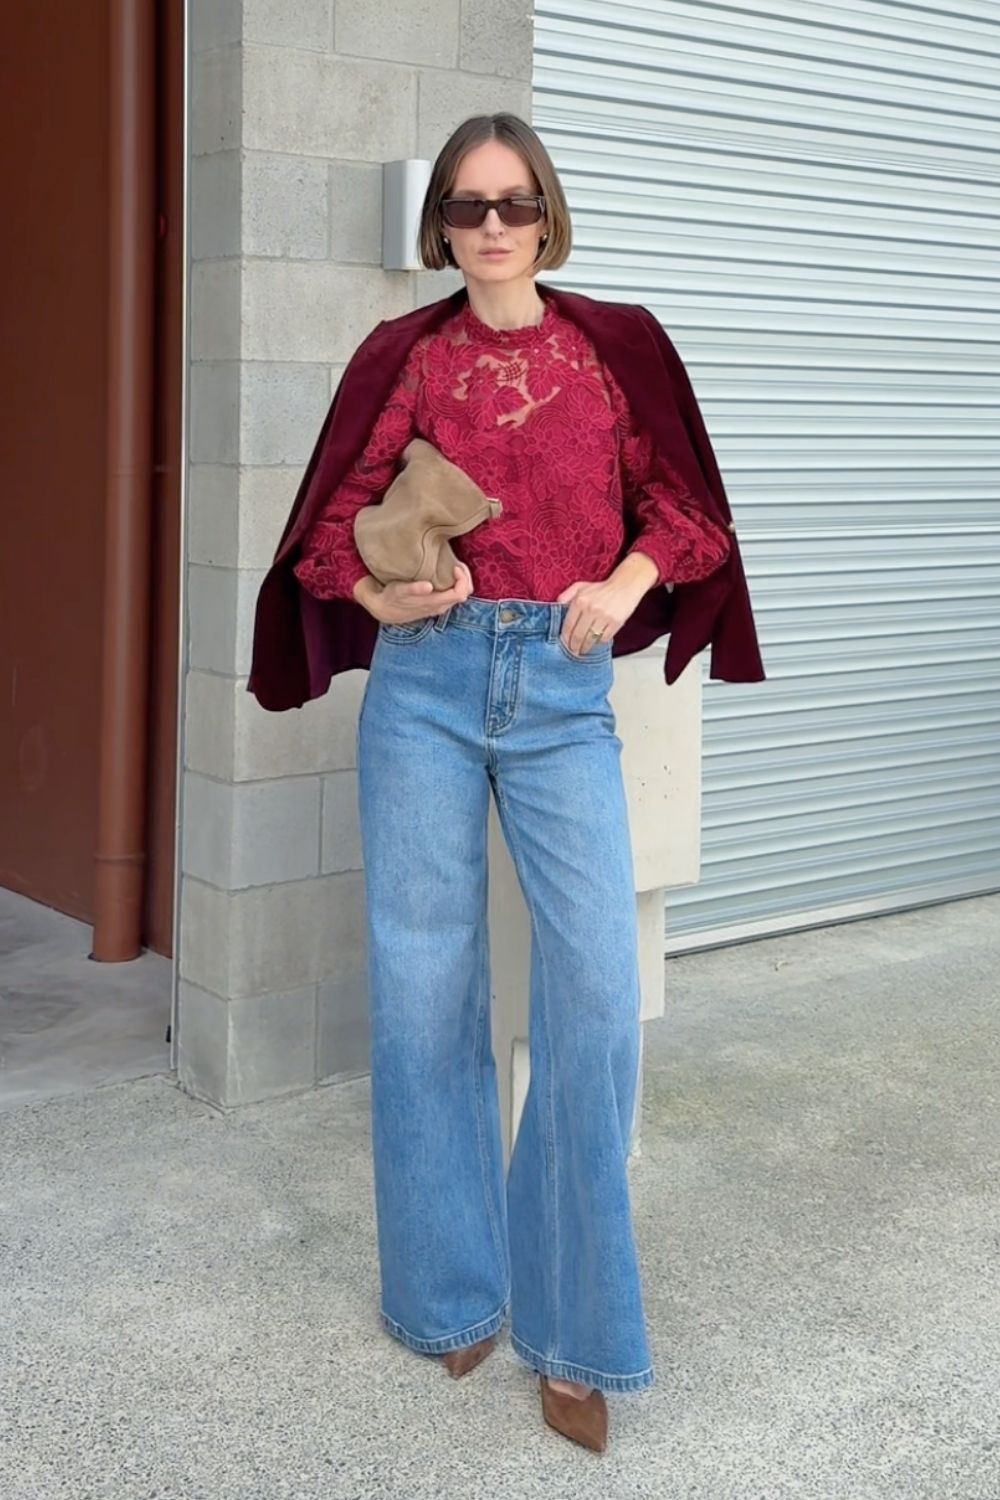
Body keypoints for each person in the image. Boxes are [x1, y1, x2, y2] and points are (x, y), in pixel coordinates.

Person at [250, 112, 764, 1454]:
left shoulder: (615, 347)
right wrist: (380, 594)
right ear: (440, 224)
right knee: (426, 996)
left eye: (516, 202)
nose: (494, 227)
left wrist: (624, 584)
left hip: (559, 691)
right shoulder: (406, 357)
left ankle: (577, 1331)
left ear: (548, 214)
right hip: (425, 689)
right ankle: (450, 1293)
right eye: (470, 206)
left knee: (593, 997)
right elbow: (324, 537)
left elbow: (689, 515)